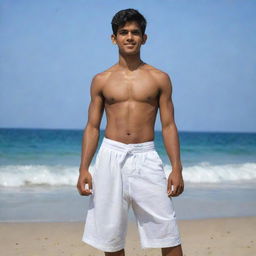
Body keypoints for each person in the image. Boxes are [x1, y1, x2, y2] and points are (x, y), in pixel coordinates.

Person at [77, 8, 184, 256]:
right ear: (113, 38)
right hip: (110, 156)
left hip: (146, 156)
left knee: (167, 230)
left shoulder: (159, 78)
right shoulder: (101, 80)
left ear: (144, 38)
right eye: (123, 32)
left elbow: (168, 125)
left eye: (135, 32)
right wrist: (84, 167)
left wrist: (176, 168)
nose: (129, 37)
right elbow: (92, 126)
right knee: (110, 236)